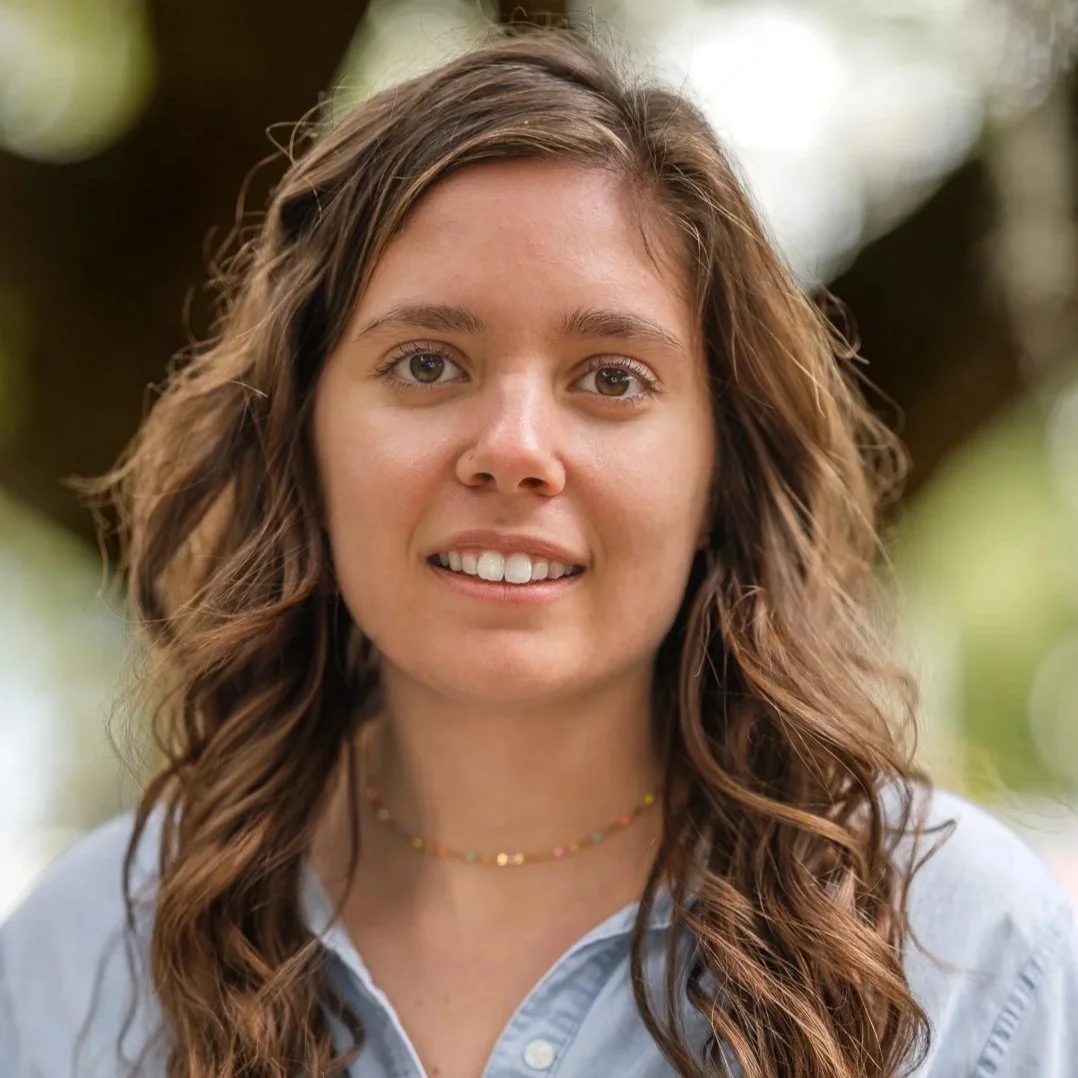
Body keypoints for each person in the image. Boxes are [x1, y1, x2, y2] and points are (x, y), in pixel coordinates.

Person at [1, 26, 1075, 1078]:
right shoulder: (84, 956)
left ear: (719, 469)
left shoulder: (963, 952)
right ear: (302, 438)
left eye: (611, 377)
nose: (514, 451)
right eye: (427, 363)